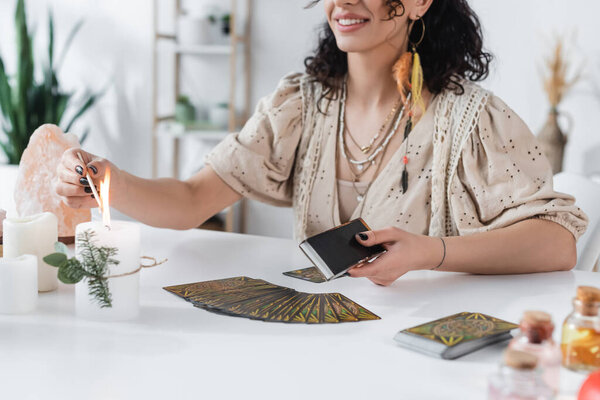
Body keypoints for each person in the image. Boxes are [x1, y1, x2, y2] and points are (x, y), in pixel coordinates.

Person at [56, 0, 587, 286]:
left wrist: (431, 252)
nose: (345, 2)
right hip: (318, 341)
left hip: (424, 355)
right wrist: (109, 180)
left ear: (420, 2)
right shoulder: (300, 105)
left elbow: (557, 242)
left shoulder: (473, 120)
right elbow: (192, 200)